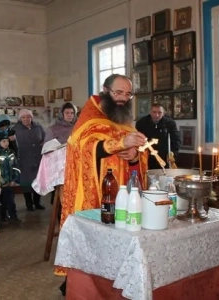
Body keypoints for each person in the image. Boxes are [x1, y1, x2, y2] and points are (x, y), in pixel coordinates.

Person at [56, 74, 149, 293]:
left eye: (128, 94)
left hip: (123, 193)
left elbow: (139, 157)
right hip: (95, 193)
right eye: (118, 92)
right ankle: (83, 284)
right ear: (105, 90)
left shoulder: (124, 120)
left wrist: (134, 155)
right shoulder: (90, 116)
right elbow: (83, 148)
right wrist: (118, 143)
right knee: (92, 243)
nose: (123, 98)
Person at [43, 103, 77, 208]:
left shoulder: (78, 127)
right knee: (61, 199)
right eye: (67, 113)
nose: (70, 115)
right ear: (61, 114)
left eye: (72, 113)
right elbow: (47, 150)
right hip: (60, 167)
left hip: (76, 165)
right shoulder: (53, 129)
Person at [13, 109, 45, 211]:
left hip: (38, 158)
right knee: (26, 182)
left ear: (32, 117)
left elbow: (45, 139)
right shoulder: (15, 129)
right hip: (24, 159)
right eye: (23, 117)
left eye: (28, 117)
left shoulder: (38, 127)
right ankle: (29, 203)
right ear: (20, 119)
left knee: (38, 181)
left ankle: (37, 202)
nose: (26, 119)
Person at [136, 103, 181, 170]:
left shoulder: (170, 123)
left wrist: (173, 153)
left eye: (159, 112)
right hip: (147, 156)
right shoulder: (141, 123)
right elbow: (137, 139)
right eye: (154, 112)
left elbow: (176, 140)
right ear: (150, 112)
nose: (156, 115)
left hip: (164, 157)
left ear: (163, 113)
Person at [0, 133, 21, 223]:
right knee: (1, 202)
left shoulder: (11, 153)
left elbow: (16, 167)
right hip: (1, 184)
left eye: (7, 141)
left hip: (10, 183)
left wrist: (14, 179)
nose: (6, 143)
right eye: (4, 141)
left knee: (11, 201)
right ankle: (1, 217)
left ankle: (13, 217)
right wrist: (2, 181)